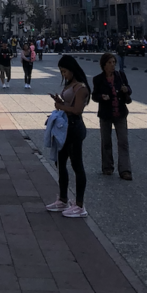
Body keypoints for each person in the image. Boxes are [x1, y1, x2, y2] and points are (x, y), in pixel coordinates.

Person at [46, 55, 90, 218]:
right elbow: (69, 105)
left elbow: (77, 110)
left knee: (77, 165)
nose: (63, 74)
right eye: (61, 72)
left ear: (72, 69)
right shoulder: (71, 84)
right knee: (61, 162)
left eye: (64, 71)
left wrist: (60, 106)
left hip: (75, 127)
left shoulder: (81, 88)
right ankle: (63, 199)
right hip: (64, 127)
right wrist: (60, 101)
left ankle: (79, 205)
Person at [92, 52, 132, 180]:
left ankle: (125, 170)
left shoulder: (120, 76)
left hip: (120, 112)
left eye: (114, 62)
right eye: (110, 63)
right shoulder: (98, 79)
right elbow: (94, 96)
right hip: (106, 114)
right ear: (104, 65)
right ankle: (107, 167)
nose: (112, 65)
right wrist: (101, 97)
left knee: (123, 142)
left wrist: (127, 90)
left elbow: (129, 89)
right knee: (106, 141)